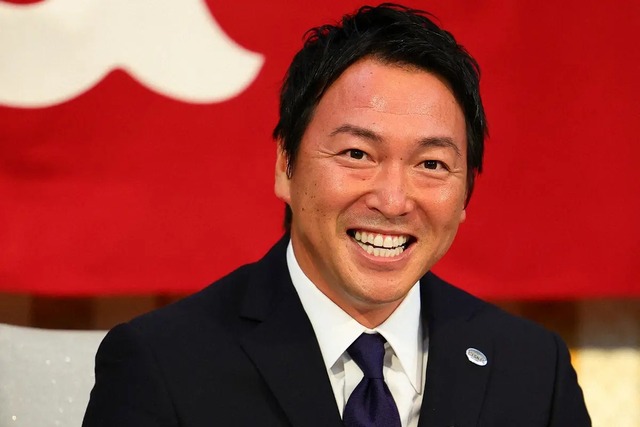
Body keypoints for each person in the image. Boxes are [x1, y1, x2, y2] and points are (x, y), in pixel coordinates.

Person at [83, 4, 590, 426]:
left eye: (431, 164)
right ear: (286, 166)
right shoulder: (164, 364)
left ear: (464, 197)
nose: (393, 200)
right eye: (357, 154)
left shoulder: (532, 370)